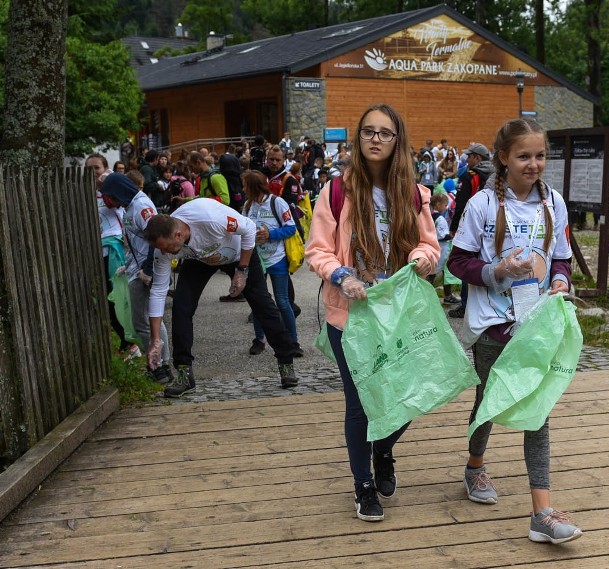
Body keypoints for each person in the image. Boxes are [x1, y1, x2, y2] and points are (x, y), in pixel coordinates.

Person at [446, 118, 582, 545]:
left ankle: (541, 512)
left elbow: (560, 257)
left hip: (535, 324)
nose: (534, 164)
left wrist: (560, 280)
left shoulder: (553, 202)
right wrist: (498, 269)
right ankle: (474, 465)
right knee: (489, 400)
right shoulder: (483, 205)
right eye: (524, 156)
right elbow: (457, 261)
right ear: (503, 158)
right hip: (492, 326)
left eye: (540, 156)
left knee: (536, 411)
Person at [305, 103, 439, 523]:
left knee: (412, 395)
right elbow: (317, 250)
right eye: (368, 132)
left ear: (397, 140)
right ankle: (363, 486)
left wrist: (420, 257)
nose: (376, 139)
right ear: (358, 140)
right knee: (360, 404)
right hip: (349, 314)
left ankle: (382, 448)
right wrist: (341, 274)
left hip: (398, 314)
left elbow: (431, 247)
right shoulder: (337, 191)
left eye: (385, 132)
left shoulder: (413, 194)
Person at [143, 198, 300, 397]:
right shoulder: (163, 248)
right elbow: (158, 291)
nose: (165, 253)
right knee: (181, 306)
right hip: (199, 260)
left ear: (178, 234)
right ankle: (184, 372)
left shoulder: (210, 219)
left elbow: (249, 228)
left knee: (263, 305)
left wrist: (242, 270)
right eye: (162, 249)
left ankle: (286, 362)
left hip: (238, 254)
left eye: (167, 248)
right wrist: (156, 340)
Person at [99, 173, 174, 384]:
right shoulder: (131, 206)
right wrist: (130, 265)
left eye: (110, 197)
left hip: (144, 272)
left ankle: (159, 366)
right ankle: (162, 364)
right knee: (150, 320)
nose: (110, 202)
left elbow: (156, 237)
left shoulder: (141, 207)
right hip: (137, 269)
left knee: (143, 322)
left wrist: (147, 270)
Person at [241, 170, 302, 357]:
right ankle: (260, 340)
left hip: (277, 258)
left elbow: (291, 228)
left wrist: (270, 234)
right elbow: (243, 229)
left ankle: (293, 342)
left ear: (253, 187)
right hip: (256, 259)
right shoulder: (248, 205)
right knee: (259, 302)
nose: (243, 189)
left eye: (245, 185)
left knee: (283, 302)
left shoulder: (277, 202)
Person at [87, 154, 140, 361]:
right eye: (88, 169)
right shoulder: (85, 194)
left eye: (96, 168)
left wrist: (105, 178)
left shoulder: (110, 193)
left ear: (105, 169)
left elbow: (121, 189)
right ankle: (128, 343)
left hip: (113, 252)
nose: (92, 173)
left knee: (117, 299)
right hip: (95, 252)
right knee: (105, 301)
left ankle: (132, 344)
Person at [448, 142, 494, 319]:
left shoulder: (469, 176)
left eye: (470, 156)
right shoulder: (497, 174)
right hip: (490, 226)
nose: (467, 159)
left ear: (478, 158)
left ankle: (466, 304)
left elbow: (461, 203)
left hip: (470, 223)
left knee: (466, 261)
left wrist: (454, 226)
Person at [427, 192, 458, 304]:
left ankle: (427, 293)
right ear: (438, 205)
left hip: (435, 248)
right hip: (443, 248)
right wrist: (451, 236)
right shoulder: (440, 219)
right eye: (445, 205)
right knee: (441, 271)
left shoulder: (430, 216)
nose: (446, 207)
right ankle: (447, 295)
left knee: (434, 271)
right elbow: (442, 235)